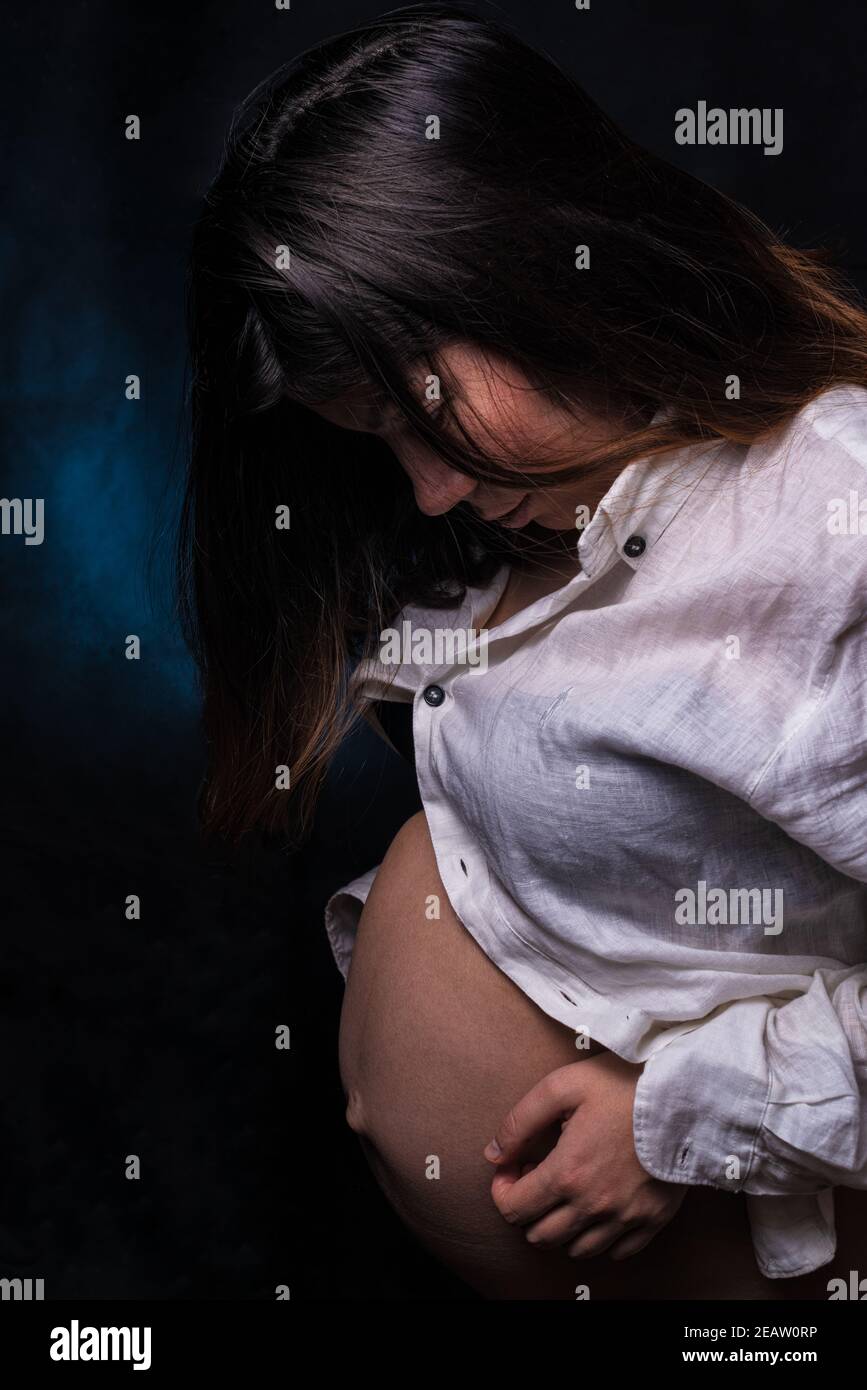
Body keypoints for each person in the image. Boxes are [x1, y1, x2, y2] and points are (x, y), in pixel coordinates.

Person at [177, 3, 867, 1299]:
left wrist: (685, 1113)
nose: (427, 489)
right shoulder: (542, 513)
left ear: (550, 257)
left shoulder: (834, 531)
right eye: (374, 439)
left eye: (421, 407)